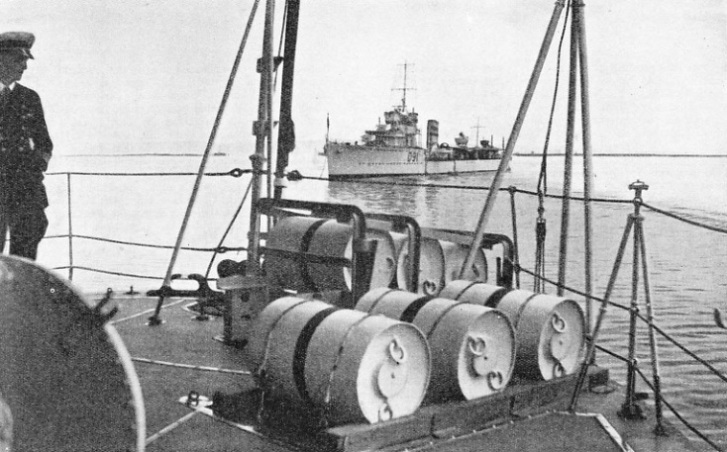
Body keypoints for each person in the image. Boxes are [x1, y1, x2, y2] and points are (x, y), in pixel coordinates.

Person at [0, 31, 52, 260]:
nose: (25, 67)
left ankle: (18, 292)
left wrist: (37, 165)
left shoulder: (29, 98)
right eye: (19, 60)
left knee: (30, 236)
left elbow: (44, 143)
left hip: (25, 187)